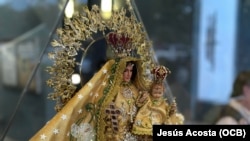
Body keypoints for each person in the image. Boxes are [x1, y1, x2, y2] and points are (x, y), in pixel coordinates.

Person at [29, 32, 149, 141]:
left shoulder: (134, 89)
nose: (128, 74)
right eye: (125, 70)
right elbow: (100, 110)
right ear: (117, 70)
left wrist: (144, 101)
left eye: (130, 71)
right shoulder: (108, 90)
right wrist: (113, 117)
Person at [132, 65, 184, 140]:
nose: (157, 93)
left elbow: (167, 114)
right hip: (145, 122)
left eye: (159, 92)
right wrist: (142, 99)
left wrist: (172, 109)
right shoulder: (147, 98)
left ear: (163, 91)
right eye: (155, 90)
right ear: (151, 89)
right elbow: (138, 104)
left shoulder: (164, 103)